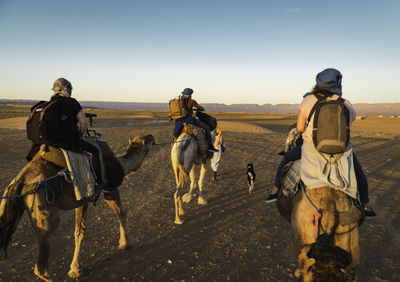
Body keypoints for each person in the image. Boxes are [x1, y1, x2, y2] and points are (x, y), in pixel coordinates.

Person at [266, 68, 376, 217]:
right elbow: (348, 125)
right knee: (359, 173)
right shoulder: (347, 104)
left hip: (312, 149)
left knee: (286, 158)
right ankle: (366, 204)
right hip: (342, 152)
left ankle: (274, 192)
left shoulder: (308, 100)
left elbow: (299, 128)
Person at [27, 78, 112, 194]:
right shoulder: (72, 102)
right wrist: (79, 136)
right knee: (95, 151)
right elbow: (83, 123)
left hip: (41, 142)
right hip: (64, 141)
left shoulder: (44, 104)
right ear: (67, 89)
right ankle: (98, 183)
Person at [172, 88, 218, 152]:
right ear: (189, 94)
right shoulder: (191, 101)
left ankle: (173, 142)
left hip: (179, 120)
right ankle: (210, 146)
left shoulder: (177, 101)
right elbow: (200, 108)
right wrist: (202, 108)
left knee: (177, 132)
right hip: (189, 119)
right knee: (206, 127)